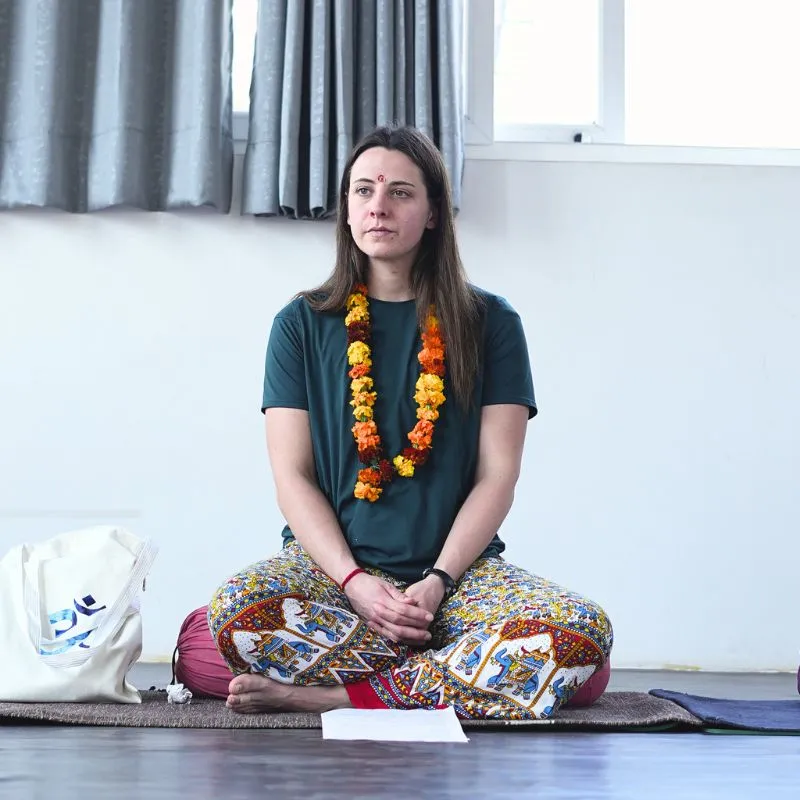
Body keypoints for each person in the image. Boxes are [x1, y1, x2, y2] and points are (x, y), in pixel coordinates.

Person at [208, 126, 613, 718]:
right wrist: (355, 584)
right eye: (363, 190)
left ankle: (337, 697)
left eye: (400, 191)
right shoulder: (300, 323)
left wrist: (437, 582)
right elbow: (291, 476)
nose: (378, 205)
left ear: (431, 214)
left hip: (455, 582)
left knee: (580, 628)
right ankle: (461, 672)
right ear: (346, 209)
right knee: (238, 610)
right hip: (335, 579)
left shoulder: (491, 323)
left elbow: (497, 475)